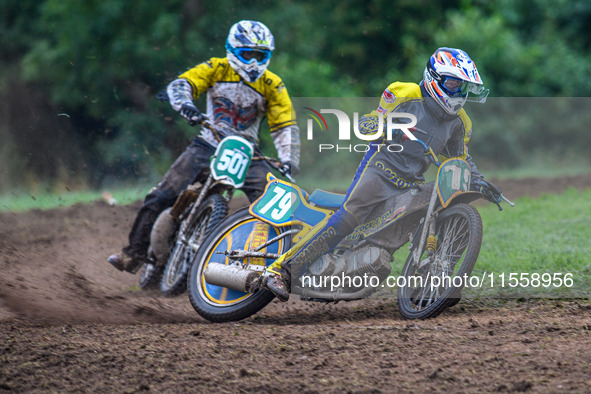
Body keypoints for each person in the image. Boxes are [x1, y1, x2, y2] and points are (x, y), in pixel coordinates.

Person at [263, 47, 502, 301]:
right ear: (435, 78)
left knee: (431, 210)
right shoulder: (404, 93)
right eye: (454, 84)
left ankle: (431, 280)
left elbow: (460, 160)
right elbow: (371, 120)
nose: (459, 93)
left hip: (410, 183)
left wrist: (479, 182)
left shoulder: (461, 122)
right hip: (380, 170)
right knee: (347, 218)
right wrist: (383, 126)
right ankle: (283, 271)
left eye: (463, 86)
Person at [109, 20, 301, 273]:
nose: (254, 63)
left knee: (275, 202)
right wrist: (186, 105)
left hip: (248, 153)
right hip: (209, 143)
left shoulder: (273, 84)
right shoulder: (216, 68)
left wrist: (289, 160)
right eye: (248, 54)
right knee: (162, 194)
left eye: (260, 56)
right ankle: (133, 254)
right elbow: (182, 84)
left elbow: (284, 125)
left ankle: (278, 263)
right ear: (232, 51)